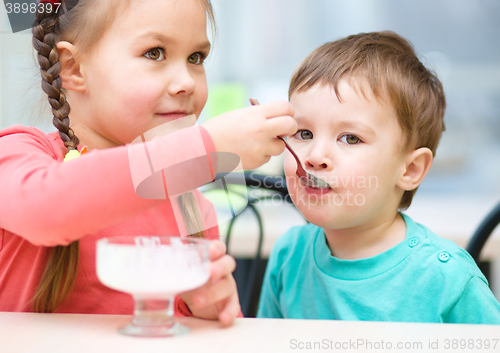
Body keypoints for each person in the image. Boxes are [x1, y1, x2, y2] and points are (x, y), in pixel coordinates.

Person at [0, 0, 297, 325]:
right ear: (73, 67)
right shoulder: (20, 154)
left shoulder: (192, 206)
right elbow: (49, 208)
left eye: (196, 58)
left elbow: (218, 330)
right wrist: (205, 148)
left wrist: (210, 311)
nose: (187, 82)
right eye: (154, 53)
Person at [257, 31, 500, 323]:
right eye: (304, 133)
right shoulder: (288, 256)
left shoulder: (448, 280)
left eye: (349, 138)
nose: (314, 156)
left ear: (410, 170)